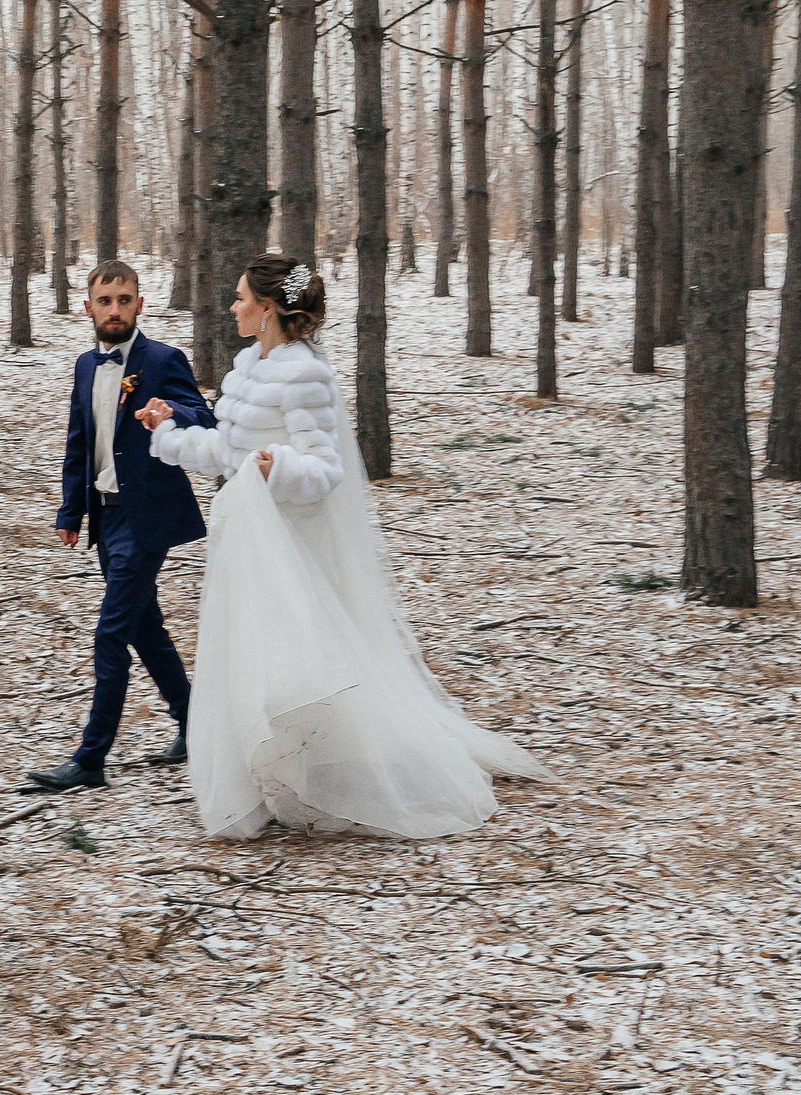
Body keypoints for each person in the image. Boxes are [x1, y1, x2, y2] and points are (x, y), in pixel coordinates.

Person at [136, 253, 553, 839]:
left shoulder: (304, 375)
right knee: (249, 657)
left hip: (289, 543)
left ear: (269, 309)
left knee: (288, 662)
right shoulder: (247, 367)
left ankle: (317, 772)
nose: (232, 306)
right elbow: (228, 454)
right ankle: (266, 779)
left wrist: (274, 465)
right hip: (246, 538)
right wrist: (168, 434)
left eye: (241, 298)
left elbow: (325, 470)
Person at [26, 261, 216, 793]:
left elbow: (205, 416)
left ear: (140, 305)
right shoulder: (86, 365)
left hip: (147, 516)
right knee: (142, 627)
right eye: (105, 301)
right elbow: (78, 441)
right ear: (88, 307)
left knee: (111, 632)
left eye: (125, 300)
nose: (115, 310)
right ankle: (194, 723)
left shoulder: (162, 360)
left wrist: (170, 410)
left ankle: (90, 759)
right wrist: (71, 511)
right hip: (106, 516)